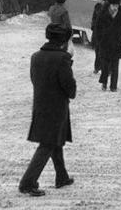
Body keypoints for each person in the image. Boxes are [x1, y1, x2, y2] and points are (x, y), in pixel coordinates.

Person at [18, 23, 77, 197]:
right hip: (57, 108)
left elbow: (34, 80)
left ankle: (62, 176)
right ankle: (27, 183)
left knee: (54, 142)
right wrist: (69, 62)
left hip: (41, 105)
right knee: (48, 144)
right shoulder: (63, 59)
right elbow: (70, 89)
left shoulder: (35, 56)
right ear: (64, 40)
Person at [95, 0, 121, 92]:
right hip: (104, 44)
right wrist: (100, 40)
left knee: (115, 66)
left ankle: (113, 86)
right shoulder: (102, 13)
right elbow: (98, 28)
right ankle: (104, 83)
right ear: (109, 5)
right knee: (105, 66)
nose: (116, 8)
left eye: (117, 5)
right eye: (114, 5)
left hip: (116, 44)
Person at [91, 0, 109, 74]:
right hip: (97, 32)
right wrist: (93, 27)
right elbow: (94, 18)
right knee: (97, 50)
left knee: (105, 51)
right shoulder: (97, 6)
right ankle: (97, 67)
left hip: (105, 33)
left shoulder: (109, 7)